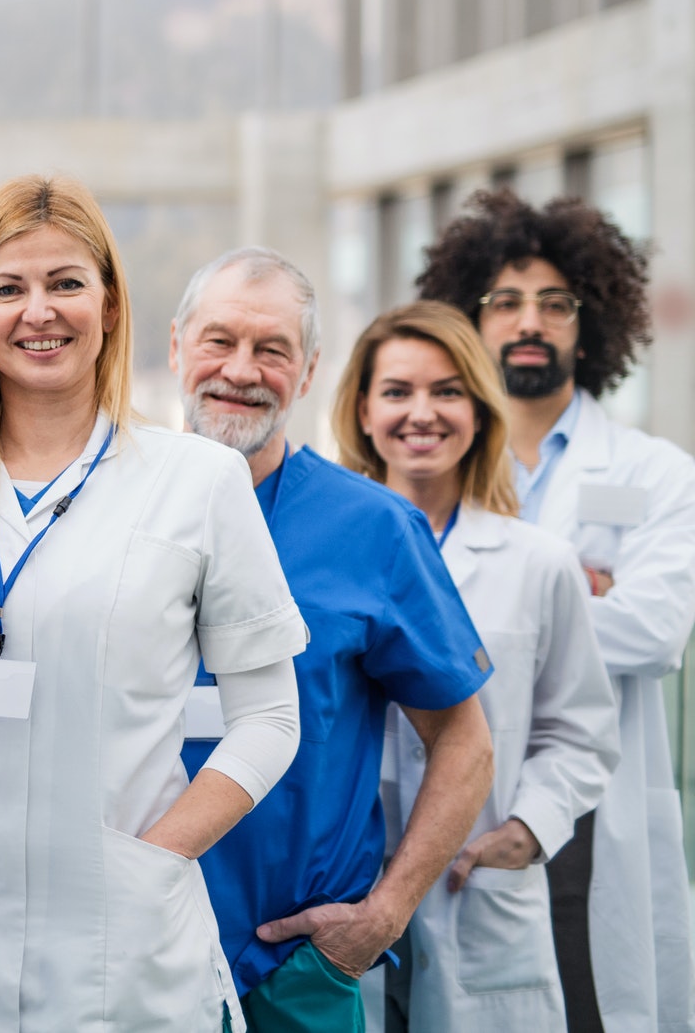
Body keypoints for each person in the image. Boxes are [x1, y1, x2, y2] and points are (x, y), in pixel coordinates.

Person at [0, 176, 306, 1031]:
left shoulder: (198, 481)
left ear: (112, 305)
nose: (37, 311)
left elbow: (270, 716)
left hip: (122, 951)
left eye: (66, 283)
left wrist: (154, 857)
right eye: (7, 288)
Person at [171, 247, 495, 1032]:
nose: (240, 369)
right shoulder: (108, 504)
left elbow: (465, 742)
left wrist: (381, 916)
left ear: (309, 373)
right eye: (219, 341)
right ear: (176, 347)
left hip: (295, 970)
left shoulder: (375, 529)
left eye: (272, 349)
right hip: (130, 950)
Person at [419, 190, 695, 1033]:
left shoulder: (656, 472)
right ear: (469, 318)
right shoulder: (427, 464)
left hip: (588, 811)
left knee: (590, 1006)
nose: (527, 321)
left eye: (554, 302)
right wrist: (573, 590)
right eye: (504, 302)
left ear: (592, 320)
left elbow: (654, 628)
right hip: (447, 798)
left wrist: (494, 608)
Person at [333, 300, 618, 1031]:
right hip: (341, 889)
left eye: (447, 390)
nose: (421, 412)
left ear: (480, 410)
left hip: (473, 891)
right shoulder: (321, 556)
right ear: (362, 410)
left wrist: (529, 826)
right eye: (397, 391)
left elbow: (580, 728)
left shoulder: (539, 563)